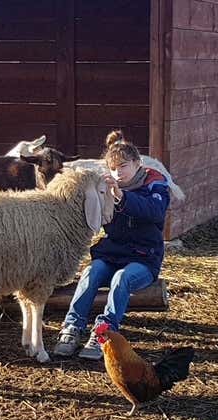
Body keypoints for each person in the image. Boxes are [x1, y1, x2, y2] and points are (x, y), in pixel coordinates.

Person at [53, 130, 171, 360]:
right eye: (113, 168)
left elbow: (155, 212)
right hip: (113, 252)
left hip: (144, 257)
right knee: (91, 272)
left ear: (137, 163)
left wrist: (122, 198)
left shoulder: (155, 185)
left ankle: (104, 333)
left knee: (121, 278)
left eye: (123, 166)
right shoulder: (106, 186)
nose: (118, 173)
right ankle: (72, 327)